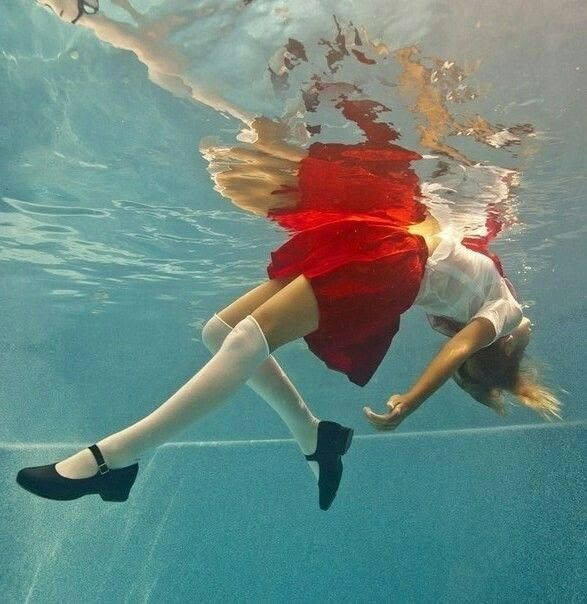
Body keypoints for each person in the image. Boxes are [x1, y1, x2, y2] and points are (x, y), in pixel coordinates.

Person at [16, 112, 560, 510]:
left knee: (246, 339)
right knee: (221, 330)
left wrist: (410, 403)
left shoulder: (501, 314)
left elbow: (458, 348)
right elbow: (462, 344)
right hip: (383, 250)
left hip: (390, 261)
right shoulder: (505, 310)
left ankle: (115, 457)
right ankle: (314, 436)